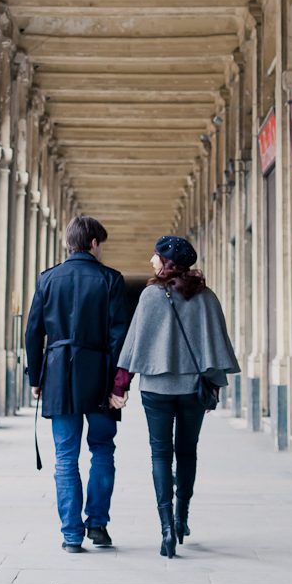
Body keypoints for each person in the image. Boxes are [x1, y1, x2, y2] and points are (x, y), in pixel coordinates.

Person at [109, 235, 239, 558]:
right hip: (194, 390)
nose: (152, 261)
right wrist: (214, 387)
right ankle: (182, 517)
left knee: (160, 454)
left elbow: (134, 344)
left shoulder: (150, 297)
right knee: (188, 452)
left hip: (156, 390)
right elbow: (215, 345)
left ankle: (166, 527)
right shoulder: (206, 298)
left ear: (167, 262)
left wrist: (120, 386)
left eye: (155, 256)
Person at [25, 215, 128, 553]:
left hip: (57, 376)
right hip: (98, 376)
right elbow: (119, 338)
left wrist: (36, 377)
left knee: (66, 457)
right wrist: (118, 386)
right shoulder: (111, 280)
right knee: (102, 449)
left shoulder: (47, 279)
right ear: (94, 243)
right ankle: (97, 524)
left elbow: (33, 333)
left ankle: (71, 535)